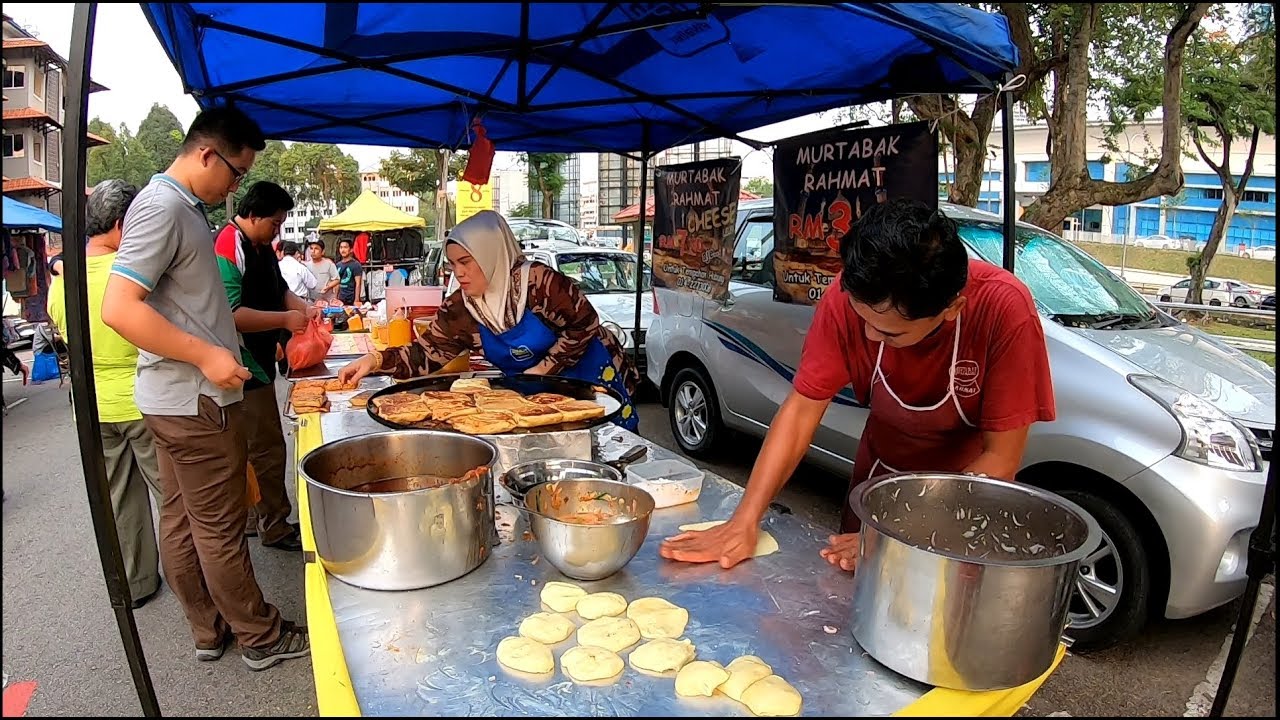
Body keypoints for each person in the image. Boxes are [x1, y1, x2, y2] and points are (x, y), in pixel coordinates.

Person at [660, 199, 1056, 571]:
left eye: (890, 334)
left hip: (964, 500)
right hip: (876, 482)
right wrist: (743, 521)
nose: (866, 336)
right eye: (860, 318)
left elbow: (1001, 459)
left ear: (952, 308)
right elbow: (801, 411)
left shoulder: (1003, 309)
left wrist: (890, 536)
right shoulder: (851, 293)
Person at [101, 105, 309, 671]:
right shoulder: (164, 208)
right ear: (206, 154)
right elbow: (118, 308)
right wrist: (208, 355)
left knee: (182, 517)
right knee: (217, 527)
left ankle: (208, 628)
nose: (236, 186)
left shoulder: (180, 209)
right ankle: (260, 636)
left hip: (175, 400)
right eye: (236, 173)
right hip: (194, 401)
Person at [338, 211, 640, 429]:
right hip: (537, 400)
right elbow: (425, 354)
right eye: (453, 264)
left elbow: (584, 324)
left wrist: (542, 372)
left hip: (592, 381)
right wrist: (374, 361)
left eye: (466, 262)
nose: (459, 273)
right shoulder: (463, 308)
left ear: (491, 255)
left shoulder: (539, 284)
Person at [47, 179, 164, 607]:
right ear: (120, 225)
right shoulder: (130, 277)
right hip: (141, 398)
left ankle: (137, 584)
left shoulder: (63, 281)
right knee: (171, 497)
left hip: (93, 406)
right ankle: (197, 583)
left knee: (121, 496)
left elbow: (66, 336)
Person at [214, 181, 312, 551]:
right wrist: (284, 320)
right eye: (274, 223)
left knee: (254, 446)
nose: (279, 231)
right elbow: (231, 314)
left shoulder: (261, 246)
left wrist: (303, 309)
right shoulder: (228, 244)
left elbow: (279, 289)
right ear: (252, 215)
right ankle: (275, 525)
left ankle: (258, 519)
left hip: (259, 360)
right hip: (244, 364)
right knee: (268, 447)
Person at [335, 238, 363, 306]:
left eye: (345, 247)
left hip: (351, 299)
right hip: (340, 299)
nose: (343, 250)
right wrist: (335, 298)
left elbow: (358, 284)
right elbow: (337, 283)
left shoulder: (356, 265)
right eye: (341, 247)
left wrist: (356, 300)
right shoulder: (337, 265)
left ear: (351, 250)